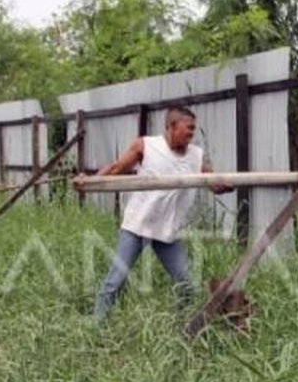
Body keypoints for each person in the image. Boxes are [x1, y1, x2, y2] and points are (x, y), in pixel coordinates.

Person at [75, 107, 235, 318]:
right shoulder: (147, 146)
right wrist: (88, 181)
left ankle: (184, 328)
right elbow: (116, 169)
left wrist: (228, 185)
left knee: (187, 286)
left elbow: (213, 183)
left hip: (167, 233)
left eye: (194, 129)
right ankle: (95, 326)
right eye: (188, 128)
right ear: (171, 126)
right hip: (137, 227)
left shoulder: (196, 156)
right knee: (115, 281)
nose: (191, 133)